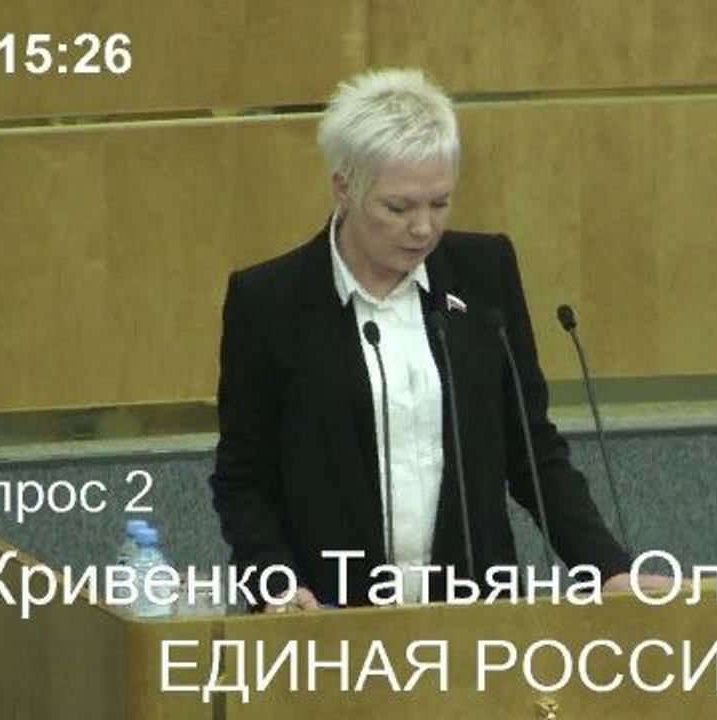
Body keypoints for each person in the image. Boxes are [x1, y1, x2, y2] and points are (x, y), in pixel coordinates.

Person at [209, 68, 656, 611]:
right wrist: (275, 583)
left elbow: (531, 449)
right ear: (343, 188)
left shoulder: (484, 273)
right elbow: (243, 480)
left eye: (440, 204)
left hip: (474, 620)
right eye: (398, 208)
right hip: (328, 621)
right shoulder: (271, 302)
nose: (423, 228)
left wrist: (605, 566)